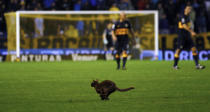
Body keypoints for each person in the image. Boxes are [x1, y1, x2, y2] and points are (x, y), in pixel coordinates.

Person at [173, 5, 205, 70]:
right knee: (179, 50)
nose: (189, 10)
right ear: (185, 9)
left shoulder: (188, 17)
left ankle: (197, 65)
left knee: (194, 49)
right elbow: (184, 25)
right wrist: (191, 32)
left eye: (190, 9)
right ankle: (175, 65)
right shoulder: (182, 16)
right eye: (188, 9)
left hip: (188, 36)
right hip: (182, 36)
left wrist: (190, 32)